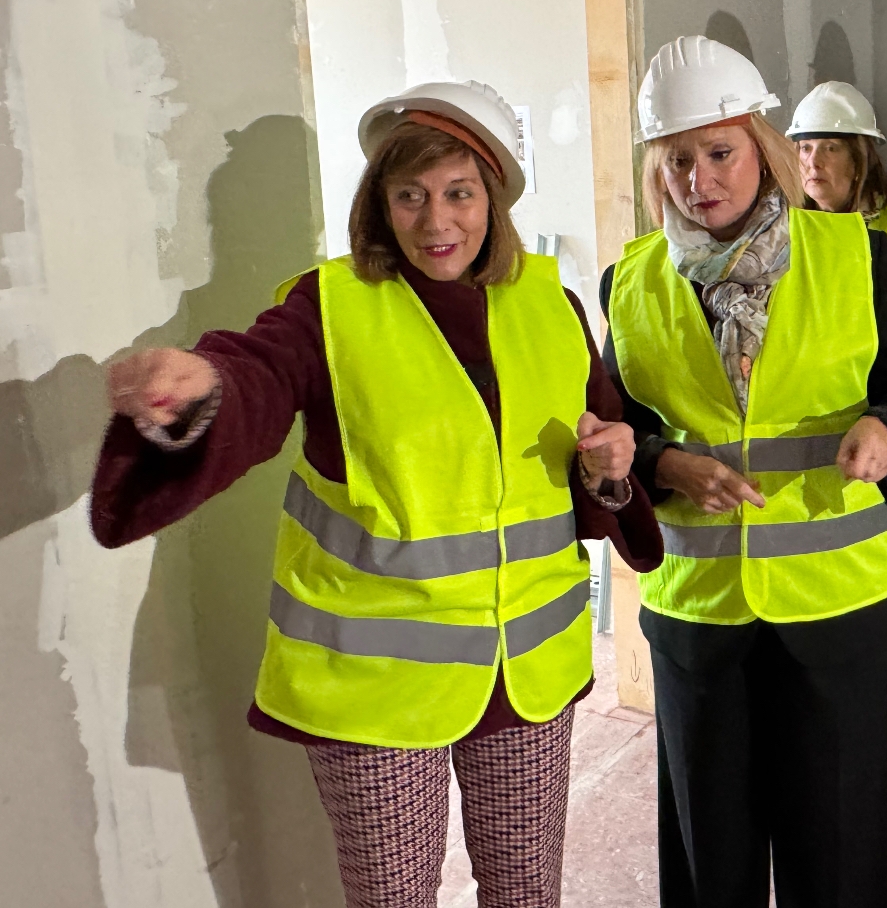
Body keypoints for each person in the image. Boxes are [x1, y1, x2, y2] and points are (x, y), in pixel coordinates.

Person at [90, 81, 662, 908]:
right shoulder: (330, 308)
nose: (436, 222)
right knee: (394, 901)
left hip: (528, 677)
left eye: (459, 193)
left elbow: (592, 457)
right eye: (410, 196)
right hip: (376, 691)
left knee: (527, 893)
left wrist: (609, 471)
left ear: (493, 199)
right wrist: (204, 387)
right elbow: (259, 374)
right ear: (380, 204)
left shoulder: (553, 305)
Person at [600, 37, 887, 908]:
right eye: (678, 160)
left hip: (835, 601)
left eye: (720, 152)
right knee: (711, 849)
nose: (700, 179)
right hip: (698, 607)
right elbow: (614, 429)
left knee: (841, 844)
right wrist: (665, 461)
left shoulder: (849, 255)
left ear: (762, 148)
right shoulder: (628, 282)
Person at [787, 79, 887, 573]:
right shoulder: (787, 232)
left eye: (830, 147)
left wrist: (884, 401)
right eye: (805, 148)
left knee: (885, 532)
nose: (813, 161)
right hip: (813, 404)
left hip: (881, 400)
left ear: (860, 158)